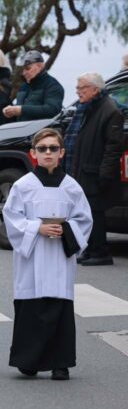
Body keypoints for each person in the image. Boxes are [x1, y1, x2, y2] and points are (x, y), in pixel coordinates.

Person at [3, 128, 92, 380]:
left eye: (53, 148)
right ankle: (28, 361)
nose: (48, 153)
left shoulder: (72, 188)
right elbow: (12, 219)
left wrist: (66, 229)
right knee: (32, 306)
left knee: (59, 306)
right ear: (33, 153)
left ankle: (59, 363)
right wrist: (37, 228)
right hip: (32, 257)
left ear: (62, 152)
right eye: (42, 149)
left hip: (59, 257)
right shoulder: (23, 186)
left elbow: (84, 219)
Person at [64, 72, 124, 266]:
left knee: (96, 214)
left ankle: (101, 252)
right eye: (77, 88)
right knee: (86, 212)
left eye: (82, 88)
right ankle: (90, 249)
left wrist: (104, 175)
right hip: (85, 168)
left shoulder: (110, 110)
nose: (78, 92)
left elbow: (113, 148)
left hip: (96, 171)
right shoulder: (89, 108)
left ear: (95, 89)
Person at [3, 51, 64, 121]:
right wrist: (11, 112)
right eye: (23, 69)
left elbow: (52, 110)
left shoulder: (53, 86)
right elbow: (20, 114)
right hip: (21, 130)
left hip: (41, 131)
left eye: (28, 68)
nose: (24, 73)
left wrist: (21, 110)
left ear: (40, 66)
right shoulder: (23, 87)